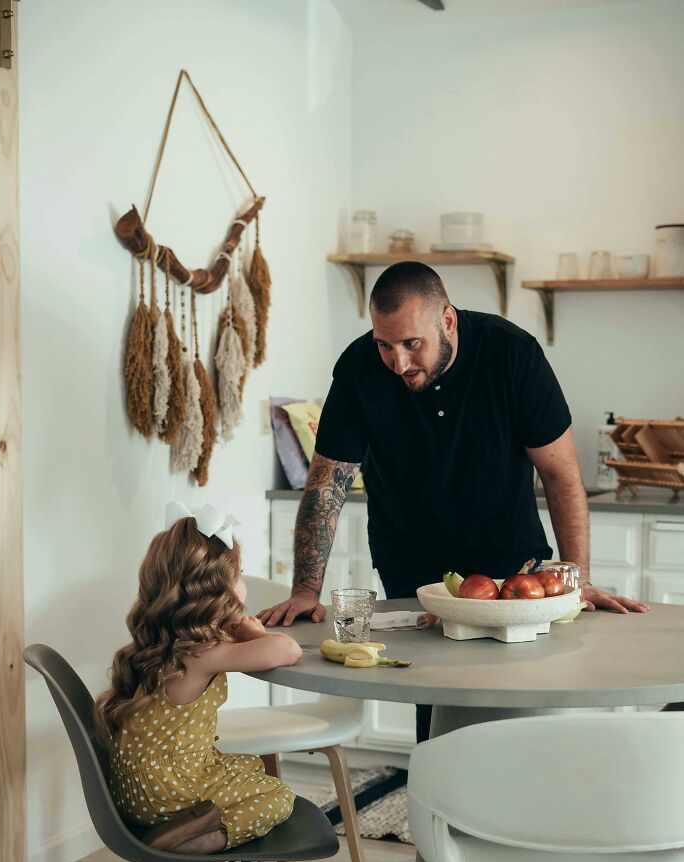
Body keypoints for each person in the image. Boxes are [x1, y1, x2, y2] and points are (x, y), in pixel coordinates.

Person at [259, 261, 649, 744]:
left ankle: (513, 808)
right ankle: (439, 802)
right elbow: (326, 484)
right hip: (411, 569)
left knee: (516, 700)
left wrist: (576, 579)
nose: (397, 363)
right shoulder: (360, 367)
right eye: (385, 344)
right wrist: (304, 589)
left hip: (511, 563)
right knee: (435, 699)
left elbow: (561, 476)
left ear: (447, 321)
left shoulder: (512, 354)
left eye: (411, 344)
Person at [95, 502, 301, 854]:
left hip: (135, 790)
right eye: (241, 574)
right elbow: (288, 650)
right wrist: (256, 635)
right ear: (221, 588)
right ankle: (202, 838)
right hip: (170, 794)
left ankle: (196, 821)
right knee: (279, 795)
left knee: (250, 765)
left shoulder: (163, 641)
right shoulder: (204, 654)